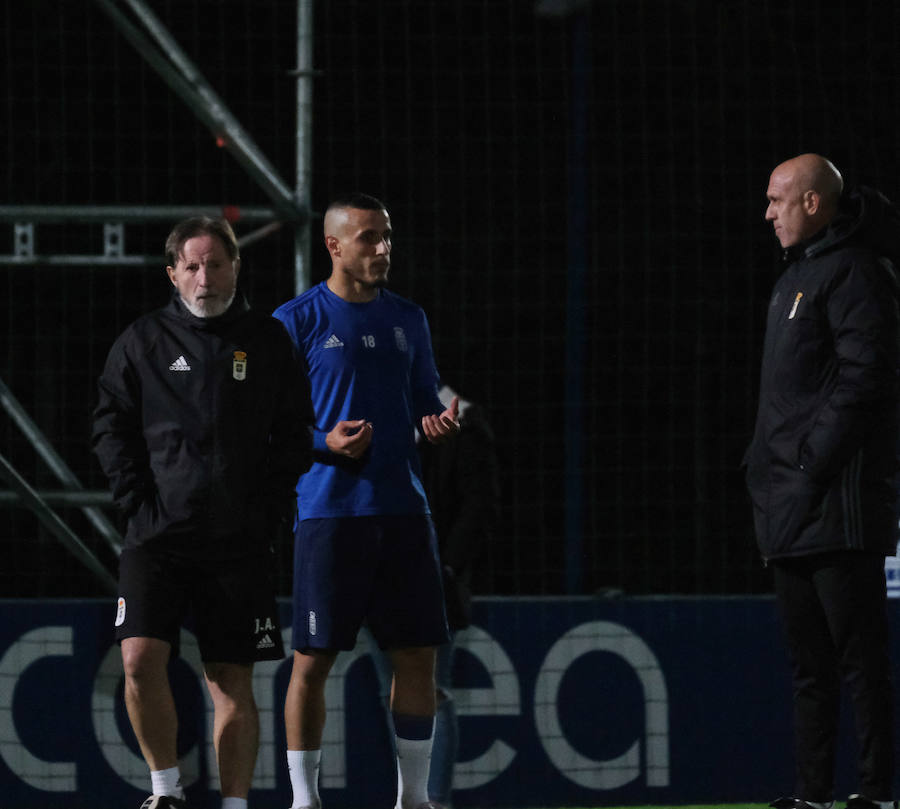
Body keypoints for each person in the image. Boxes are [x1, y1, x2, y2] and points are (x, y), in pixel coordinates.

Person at [92, 216, 314, 809]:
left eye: (216, 264)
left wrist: (267, 511)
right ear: (173, 273)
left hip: (238, 541)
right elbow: (110, 426)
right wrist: (136, 502)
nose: (204, 277)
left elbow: (294, 434)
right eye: (192, 266)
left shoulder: (268, 341)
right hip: (156, 537)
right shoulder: (142, 340)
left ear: (236, 268)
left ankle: (235, 804)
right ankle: (166, 792)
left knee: (230, 680)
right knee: (138, 661)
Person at [273, 192, 460, 809]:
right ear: (333, 245)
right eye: (368, 238)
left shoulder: (409, 317)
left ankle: (415, 799)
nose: (383, 249)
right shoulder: (295, 320)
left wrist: (436, 421)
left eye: (387, 236)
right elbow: (268, 424)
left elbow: (425, 398)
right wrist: (322, 442)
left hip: (404, 510)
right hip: (329, 513)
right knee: (312, 661)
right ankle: (305, 801)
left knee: (417, 658)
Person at [744, 154, 900, 809]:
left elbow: (867, 379)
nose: (768, 213)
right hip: (787, 503)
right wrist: (763, 469)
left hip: (837, 503)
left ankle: (877, 792)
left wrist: (811, 462)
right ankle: (813, 795)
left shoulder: (856, 272)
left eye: (777, 200)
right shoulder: (795, 278)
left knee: (859, 660)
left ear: (813, 203)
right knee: (809, 665)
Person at [368, 384, 500, 807]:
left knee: (431, 689)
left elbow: (479, 504)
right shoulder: (374, 413)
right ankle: (412, 797)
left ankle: (433, 800)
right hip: (378, 577)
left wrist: (447, 567)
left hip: (432, 580)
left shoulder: (462, 418)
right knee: (394, 692)